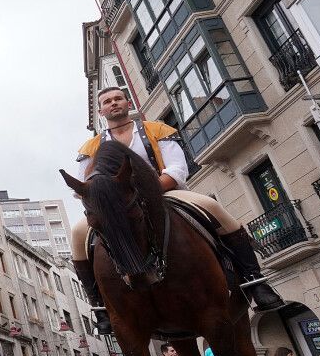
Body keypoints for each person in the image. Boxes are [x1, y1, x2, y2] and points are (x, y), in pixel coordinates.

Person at [71, 87, 284, 335]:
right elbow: (82, 187)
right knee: (78, 234)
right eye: (107, 101)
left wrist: (147, 192)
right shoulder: (91, 147)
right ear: (101, 111)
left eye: (118, 98)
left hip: (163, 194)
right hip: (119, 209)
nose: (114, 103)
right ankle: (100, 306)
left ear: (127, 102)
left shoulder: (157, 130)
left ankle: (254, 280)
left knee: (212, 207)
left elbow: (177, 169)